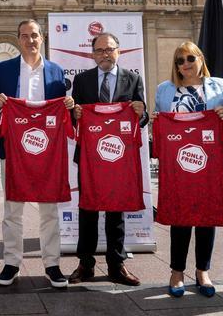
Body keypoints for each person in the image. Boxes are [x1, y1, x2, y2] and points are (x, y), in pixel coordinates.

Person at [0, 19, 75, 288]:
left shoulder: (56, 72)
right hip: (13, 152)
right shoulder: (3, 70)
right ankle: (11, 262)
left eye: (35, 35)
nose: (30, 41)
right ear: (18, 39)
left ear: (43, 38)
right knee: (12, 211)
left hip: (47, 154)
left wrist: (70, 106)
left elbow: (63, 113)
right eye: (25, 36)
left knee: (49, 211)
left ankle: (52, 264)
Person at [68, 32, 148, 286]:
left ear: (119, 51)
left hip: (119, 159)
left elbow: (141, 119)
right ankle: (86, 264)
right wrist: (75, 114)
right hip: (90, 158)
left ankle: (116, 264)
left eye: (109, 49)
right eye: (100, 50)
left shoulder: (133, 79)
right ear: (92, 54)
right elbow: (73, 120)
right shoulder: (81, 81)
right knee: (88, 210)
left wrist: (141, 111)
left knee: (116, 210)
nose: (104, 54)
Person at [154, 41, 223, 297]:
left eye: (189, 58)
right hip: (177, 166)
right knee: (179, 217)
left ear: (200, 58)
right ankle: (176, 272)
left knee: (207, 217)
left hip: (210, 165)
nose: (185, 64)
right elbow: (160, 122)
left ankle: (202, 271)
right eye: (179, 60)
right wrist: (156, 120)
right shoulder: (164, 90)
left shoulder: (221, 86)